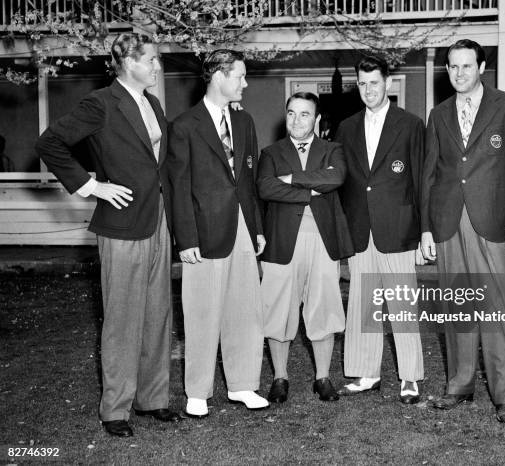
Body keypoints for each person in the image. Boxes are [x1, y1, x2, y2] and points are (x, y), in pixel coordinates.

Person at [36, 33, 180, 438]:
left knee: (157, 314)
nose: (156, 66)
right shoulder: (100, 103)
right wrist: (91, 186)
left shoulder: (151, 104)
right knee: (122, 318)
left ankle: (152, 400)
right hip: (120, 226)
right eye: (150, 59)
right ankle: (115, 409)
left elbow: (157, 165)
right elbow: (50, 143)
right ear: (127, 61)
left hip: (157, 221)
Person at [420, 39, 505, 424]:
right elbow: (429, 175)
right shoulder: (438, 115)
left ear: (482, 67)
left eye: (467, 66)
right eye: (453, 67)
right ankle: (459, 384)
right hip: (448, 222)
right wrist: (425, 230)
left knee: (497, 309)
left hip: (494, 224)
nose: (460, 73)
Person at [167, 49, 269, 417]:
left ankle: (242, 385)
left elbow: (249, 181)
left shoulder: (245, 123)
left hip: (242, 225)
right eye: (239, 76)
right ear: (218, 76)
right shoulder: (184, 126)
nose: (245, 82)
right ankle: (198, 391)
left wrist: (255, 227)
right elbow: (177, 186)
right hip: (203, 231)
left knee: (246, 310)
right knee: (201, 312)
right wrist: (186, 239)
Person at [335, 56, 425, 404]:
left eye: (374, 83)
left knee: (402, 304)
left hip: (398, 228)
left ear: (388, 83)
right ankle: (367, 373)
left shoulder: (411, 125)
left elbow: (420, 181)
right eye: (362, 83)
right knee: (363, 302)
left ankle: (410, 378)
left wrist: (423, 232)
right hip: (360, 229)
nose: (368, 90)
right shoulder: (346, 128)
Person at [257, 92, 354, 403]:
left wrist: (291, 179)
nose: (296, 120)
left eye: (304, 114)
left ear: (317, 119)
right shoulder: (270, 152)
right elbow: (265, 187)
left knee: (324, 308)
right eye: (291, 113)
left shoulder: (332, 149)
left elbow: (336, 176)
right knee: (278, 310)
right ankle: (280, 377)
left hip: (323, 241)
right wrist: (311, 191)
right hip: (282, 241)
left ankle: (322, 377)